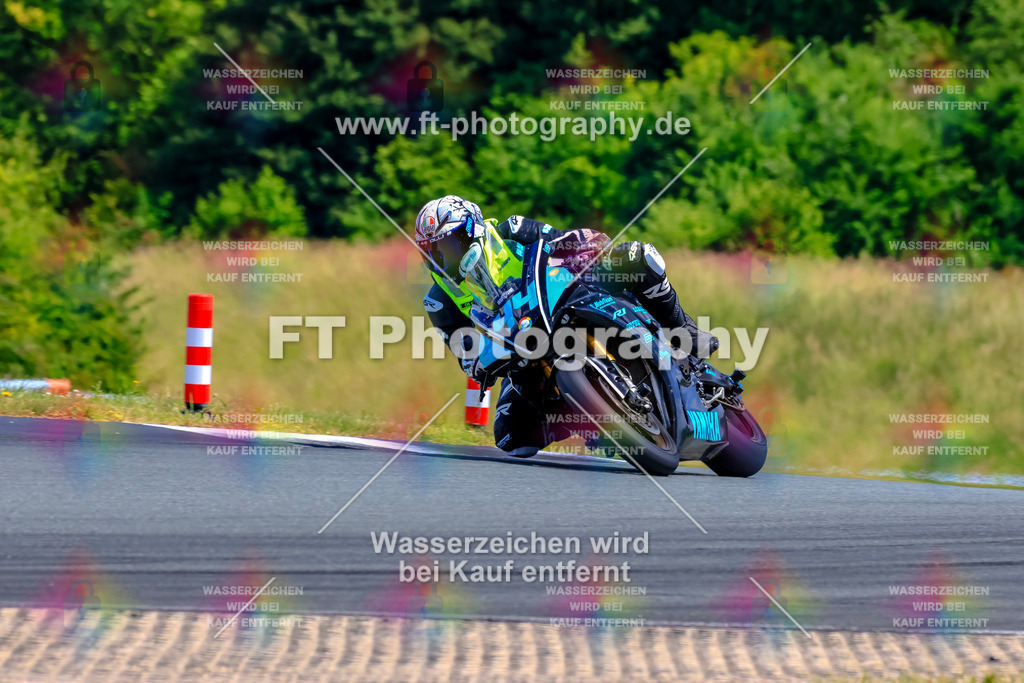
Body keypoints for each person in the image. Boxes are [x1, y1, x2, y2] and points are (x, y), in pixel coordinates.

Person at [415, 194, 717, 457]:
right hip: (523, 350)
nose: (442, 257)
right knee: (511, 438)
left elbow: (561, 239)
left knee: (638, 257)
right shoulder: (439, 302)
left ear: (473, 229)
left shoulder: (512, 230)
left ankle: (684, 331)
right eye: (432, 252)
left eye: (448, 245)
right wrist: (480, 364)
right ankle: (592, 421)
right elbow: (466, 356)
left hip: (570, 294)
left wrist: (586, 243)